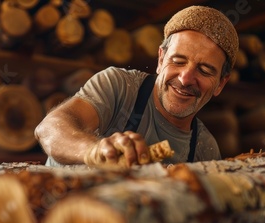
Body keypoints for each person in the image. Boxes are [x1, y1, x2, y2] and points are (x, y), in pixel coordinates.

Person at [34, 5, 239, 167]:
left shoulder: (205, 149)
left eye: (204, 70)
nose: (185, 79)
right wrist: (93, 150)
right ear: (160, 59)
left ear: (221, 83)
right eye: (178, 61)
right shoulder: (119, 86)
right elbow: (49, 129)